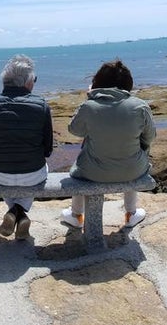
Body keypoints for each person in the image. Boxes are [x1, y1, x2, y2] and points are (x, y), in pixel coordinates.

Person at [61, 59, 155, 230]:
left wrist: (90, 98)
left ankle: (76, 215)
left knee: (80, 164)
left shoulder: (89, 106)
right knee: (131, 151)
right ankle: (131, 213)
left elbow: (75, 130)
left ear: (97, 83)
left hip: (93, 172)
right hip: (133, 169)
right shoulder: (140, 106)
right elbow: (149, 138)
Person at [0, 54, 53, 239]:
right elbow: (48, 150)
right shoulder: (42, 106)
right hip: (33, 174)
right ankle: (19, 211)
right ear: (28, 82)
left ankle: (14, 211)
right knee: (35, 170)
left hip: (0, 175)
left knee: (1, 169)